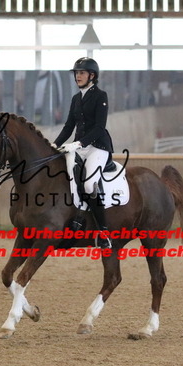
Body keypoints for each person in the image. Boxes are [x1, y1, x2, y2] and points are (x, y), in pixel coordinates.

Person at [54, 57, 114, 249]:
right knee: (67, 178)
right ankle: (76, 218)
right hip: (79, 147)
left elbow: (99, 127)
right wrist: (54, 145)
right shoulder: (76, 99)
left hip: (98, 147)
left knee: (89, 184)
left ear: (92, 76)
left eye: (81, 73)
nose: (77, 76)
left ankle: (103, 233)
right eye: (76, 73)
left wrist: (78, 143)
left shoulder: (101, 96)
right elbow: (68, 126)